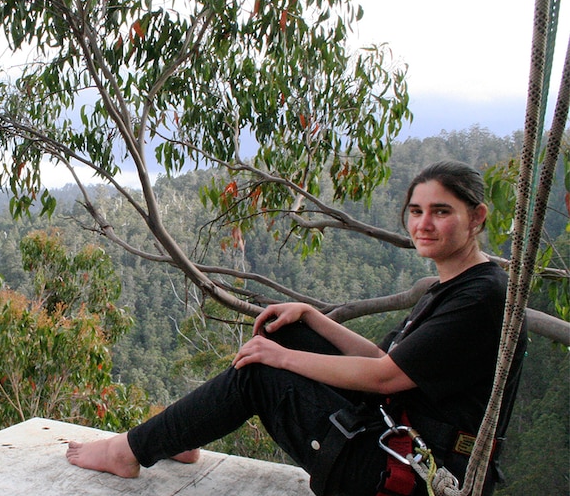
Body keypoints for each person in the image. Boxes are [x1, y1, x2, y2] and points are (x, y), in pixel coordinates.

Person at [66, 161, 526, 496]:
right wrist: (311, 316)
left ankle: (127, 452)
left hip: (410, 472)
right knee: (283, 334)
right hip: (398, 435)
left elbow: (385, 377)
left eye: (441, 212)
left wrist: (278, 359)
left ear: (478, 216)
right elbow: (382, 361)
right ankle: (179, 438)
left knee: (262, 369)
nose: (423, 223)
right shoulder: (456, 286)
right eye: (416, 210)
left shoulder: (480, 297)